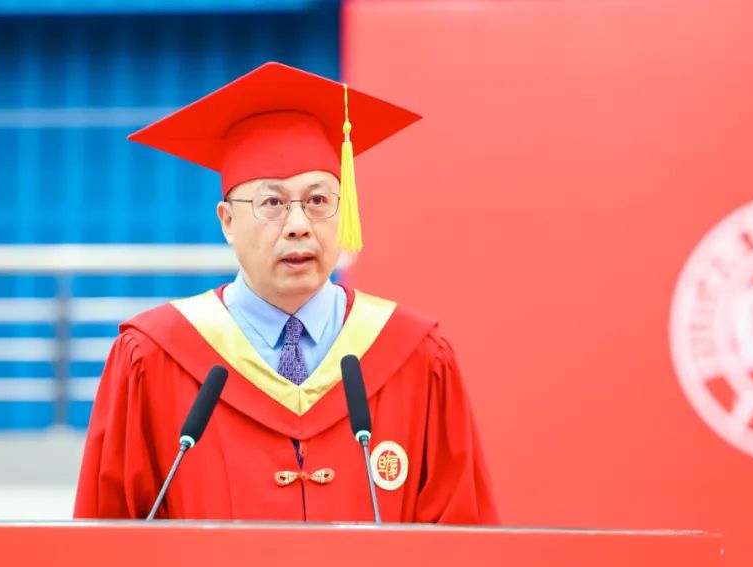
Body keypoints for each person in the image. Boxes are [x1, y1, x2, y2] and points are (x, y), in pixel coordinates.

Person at [74, 62, 498, 524]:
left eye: (318, 201)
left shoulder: (416, 356)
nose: (298, 225)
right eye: (272, 203)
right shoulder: (154, 356)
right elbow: (107, 545)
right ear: (228, 221)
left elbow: (463, 545)